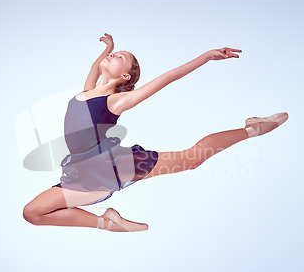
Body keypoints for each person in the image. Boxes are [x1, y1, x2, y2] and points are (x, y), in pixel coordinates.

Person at [23, 33, 288, 232]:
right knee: (32, 213)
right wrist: (109, 48)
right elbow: (95, 68)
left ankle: (252, 129)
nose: (114, 57)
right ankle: (106, 222)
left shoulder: (115, 102)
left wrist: (206, 57)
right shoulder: (88, 89)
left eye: (120, 58)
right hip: (82, 172)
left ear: (125, 78)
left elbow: (168, 77)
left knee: (192, 159)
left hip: (109, 165)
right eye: (116, 55)